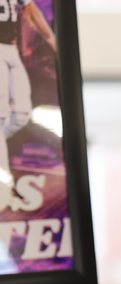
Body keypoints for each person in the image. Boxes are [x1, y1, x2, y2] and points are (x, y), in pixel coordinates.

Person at [0, 0, 56, 180]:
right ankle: (4, 177)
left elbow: (29, 8)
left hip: (12, 47)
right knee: (2, 115)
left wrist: (51, 38)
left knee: (21, 115)